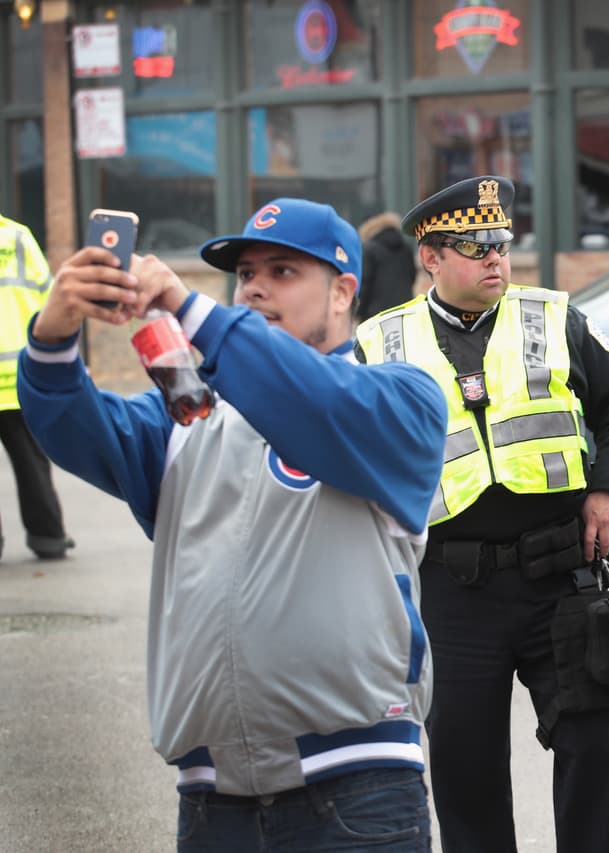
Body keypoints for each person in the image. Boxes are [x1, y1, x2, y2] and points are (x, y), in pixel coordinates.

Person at [18, 198, 448, 851]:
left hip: (358, 790)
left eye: (282, 271)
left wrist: (192, 311)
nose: (253, 287)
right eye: (246, 273)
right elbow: (76, 429)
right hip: (211, 800)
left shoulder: (399, 398)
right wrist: (53, 335)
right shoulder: (188, 417)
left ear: (342, 293)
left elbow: (313, 399)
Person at [354, 175, 609, 853]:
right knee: (466, 772)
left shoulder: (554, 318)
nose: (495, 258)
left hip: (561, 577)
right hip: (453, 593)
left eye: (502, 244)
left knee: (594, 753)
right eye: (475, 246)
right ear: (430, 257)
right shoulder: (380, 343)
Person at [0, 214, 74, 561]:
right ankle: (48, 538)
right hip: (17, 375)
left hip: (17, 375)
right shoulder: (17, 237)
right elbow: (49, 298)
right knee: (31, 461)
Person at [357, 211, 419, 322]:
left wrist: (359, 312)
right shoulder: (406, 248)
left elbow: (365, 284)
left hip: (377, 316)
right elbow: (412, 276)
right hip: (404, 311)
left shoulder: (370, 249)